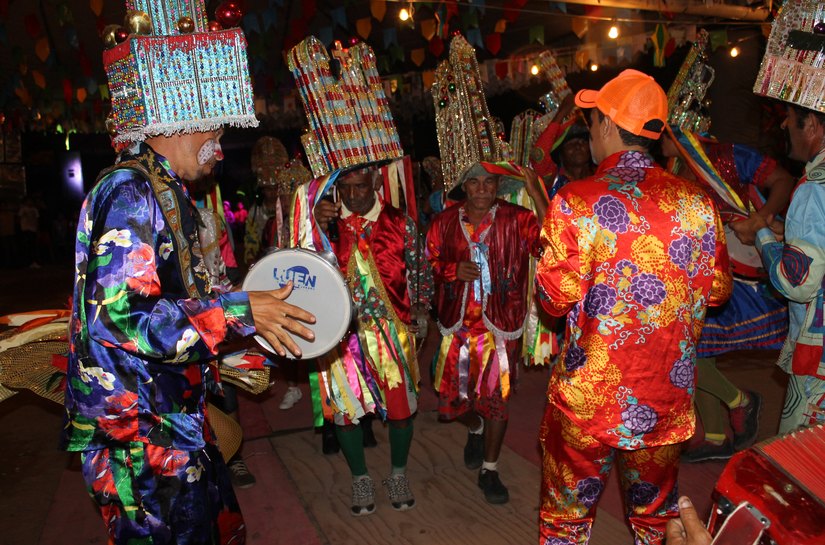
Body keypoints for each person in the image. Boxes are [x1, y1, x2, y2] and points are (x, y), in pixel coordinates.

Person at [61, 3, 316, 543]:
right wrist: (239, 312)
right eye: (216, 130)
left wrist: (237, 332)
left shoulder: (163, 190)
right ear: (181, 118)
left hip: (169, 419)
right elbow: (120, 317)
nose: (219, 149)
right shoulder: (131, 191)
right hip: (140, 434)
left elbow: (174, 299)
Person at [535, 69, 733, 543]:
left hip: (587, 403)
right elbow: (719, 291)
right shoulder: (698, 204)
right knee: (656, 522)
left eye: (591, 121)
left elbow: (553, 301)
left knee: (565, 523)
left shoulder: (576, 201)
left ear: (606, 123)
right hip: (664, 400)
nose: (589, 133)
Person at [660, 128, 794, 461]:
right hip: (693, 274)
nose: (655, 138)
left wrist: (761, 219)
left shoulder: (727, 155)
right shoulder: (671, 170)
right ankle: (717, 436)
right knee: (698, 348)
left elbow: (782, 180)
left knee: (683, 351)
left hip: (734, 273)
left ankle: (741, 401)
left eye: (661, 130)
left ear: (680, 129)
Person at [426, 162, 546, 505]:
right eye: (474, 182)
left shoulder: (518, 218)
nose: (482, 189)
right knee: (450, 398)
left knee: (497, 402)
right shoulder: (444, 222)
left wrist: (536, 193)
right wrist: (452, 270)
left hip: (501, 327)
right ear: (464, 187)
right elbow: (427, 262)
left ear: (497, 186)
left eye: (488, 182)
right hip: (457, 325)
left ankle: (489, 469)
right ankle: (474, 428)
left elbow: (551, 242)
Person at [753, 104, 825, 432]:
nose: (783, 125)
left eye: (790, 118)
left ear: (812, 124)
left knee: (804, 455)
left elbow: (797, 283)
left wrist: (763, 236)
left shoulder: (814, 188)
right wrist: (790, 235)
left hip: (819, 360)